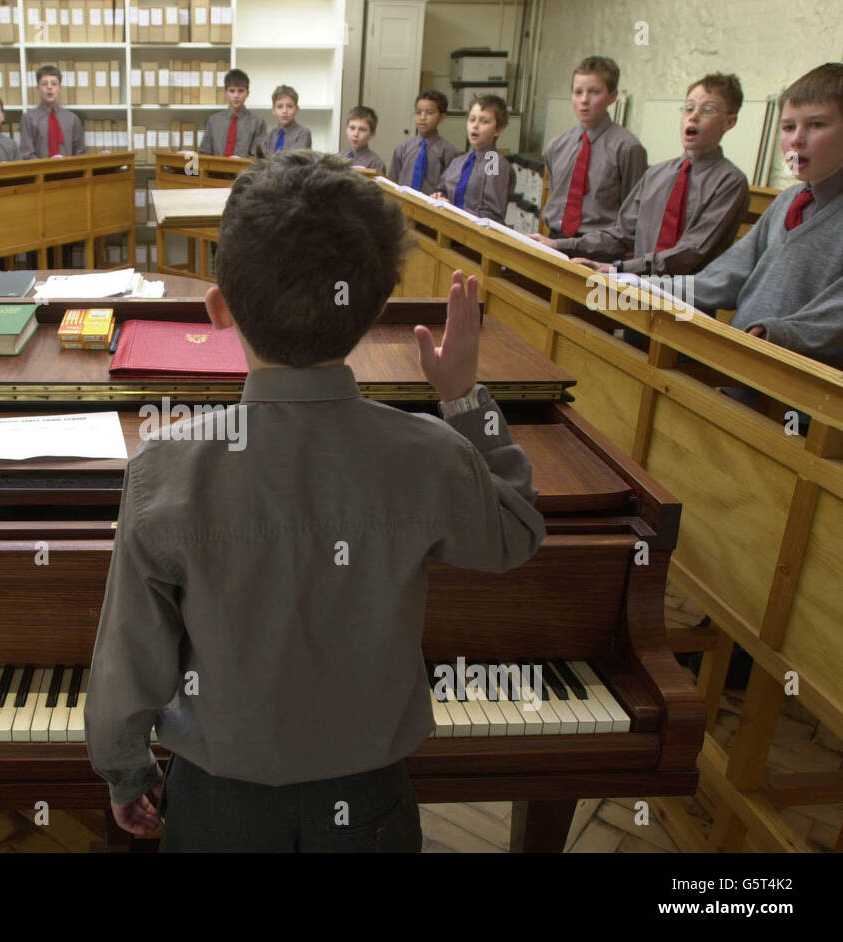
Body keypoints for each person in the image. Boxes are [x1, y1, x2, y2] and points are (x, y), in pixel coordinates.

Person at [84, 151, 546, 852]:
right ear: (373, 313)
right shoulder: (431, 455)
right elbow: (517, 531)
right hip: (370, 804)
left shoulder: (165, 467)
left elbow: (130, 661)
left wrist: (124, 772)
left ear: (220, 313)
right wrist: (464, 399)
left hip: (218, 807)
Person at [690, 62, 843, 370]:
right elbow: (726, 277)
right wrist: (641, 285)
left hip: (796, 395)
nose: (797, 140)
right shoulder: (788, 200)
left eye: (816, 125)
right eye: (788, 127)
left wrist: (782, 333)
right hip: (734, 368)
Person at [538, 74, 749, 276]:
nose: (693, 116)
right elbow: (621, 236)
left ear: (730, 122)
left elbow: (691, 252)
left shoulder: (730, 183)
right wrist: (558, 245)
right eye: (688, 108)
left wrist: (620, 269)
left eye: (708, 110)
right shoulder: (657, 174)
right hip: (633, 288)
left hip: (685, 298)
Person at [541, 56, 647, 258]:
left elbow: (633, 214)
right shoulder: (558, 146)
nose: (584, 100)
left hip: (600, 251)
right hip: (554, 242)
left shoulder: (628, 148)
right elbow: (558, 197)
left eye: (594, 92)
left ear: (612, 96)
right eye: (578, 92)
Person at [435, 95, 513, 224]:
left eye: (484, 121)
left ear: (498, 130)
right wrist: (438, 197)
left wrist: (452, 210)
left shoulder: (493, 162)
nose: (475, 126)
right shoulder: (458, 161)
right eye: (472, 120)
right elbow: (442, 190)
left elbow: (492, 213)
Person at [390, 90, 460, 194]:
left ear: (442, 117)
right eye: (418, 112)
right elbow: (392, 181)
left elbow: (450, 189)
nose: (422, 118)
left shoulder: (449, 152)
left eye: (430, 113)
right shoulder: (403, 148)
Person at [198, 68, 265, 158]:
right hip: (216, 170)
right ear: (225, 93)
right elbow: (204, 153)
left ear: (247, 93)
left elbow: (257, 157)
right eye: (232, 91)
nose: (236, 96)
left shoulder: (258, 122)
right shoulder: (213, 121)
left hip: (246, 171)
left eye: (240, 91)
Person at [20, 66, 85, 158]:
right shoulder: (28, 119)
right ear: (38, 88)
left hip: (68, 170)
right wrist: (47, 166)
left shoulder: (72, 119)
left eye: (54, 84)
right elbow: (27, 153)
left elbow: (79, 151)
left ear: (60, 88)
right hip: (40, 170)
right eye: (44, 84)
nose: (49, 87)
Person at [257, 84, 311, 157]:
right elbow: (262, 160)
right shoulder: (269, 136)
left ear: (296, 109)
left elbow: (294, 160)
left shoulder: (303, 133)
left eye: (289, 106)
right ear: (273, 110)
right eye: (280, 107)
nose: (285, 111)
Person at [342, 105, 387, 174]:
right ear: (346, 129)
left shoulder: (376, 164)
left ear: (372, 134)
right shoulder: (338, 157)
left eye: (362, 130)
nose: (355, 134)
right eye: (352, 128)